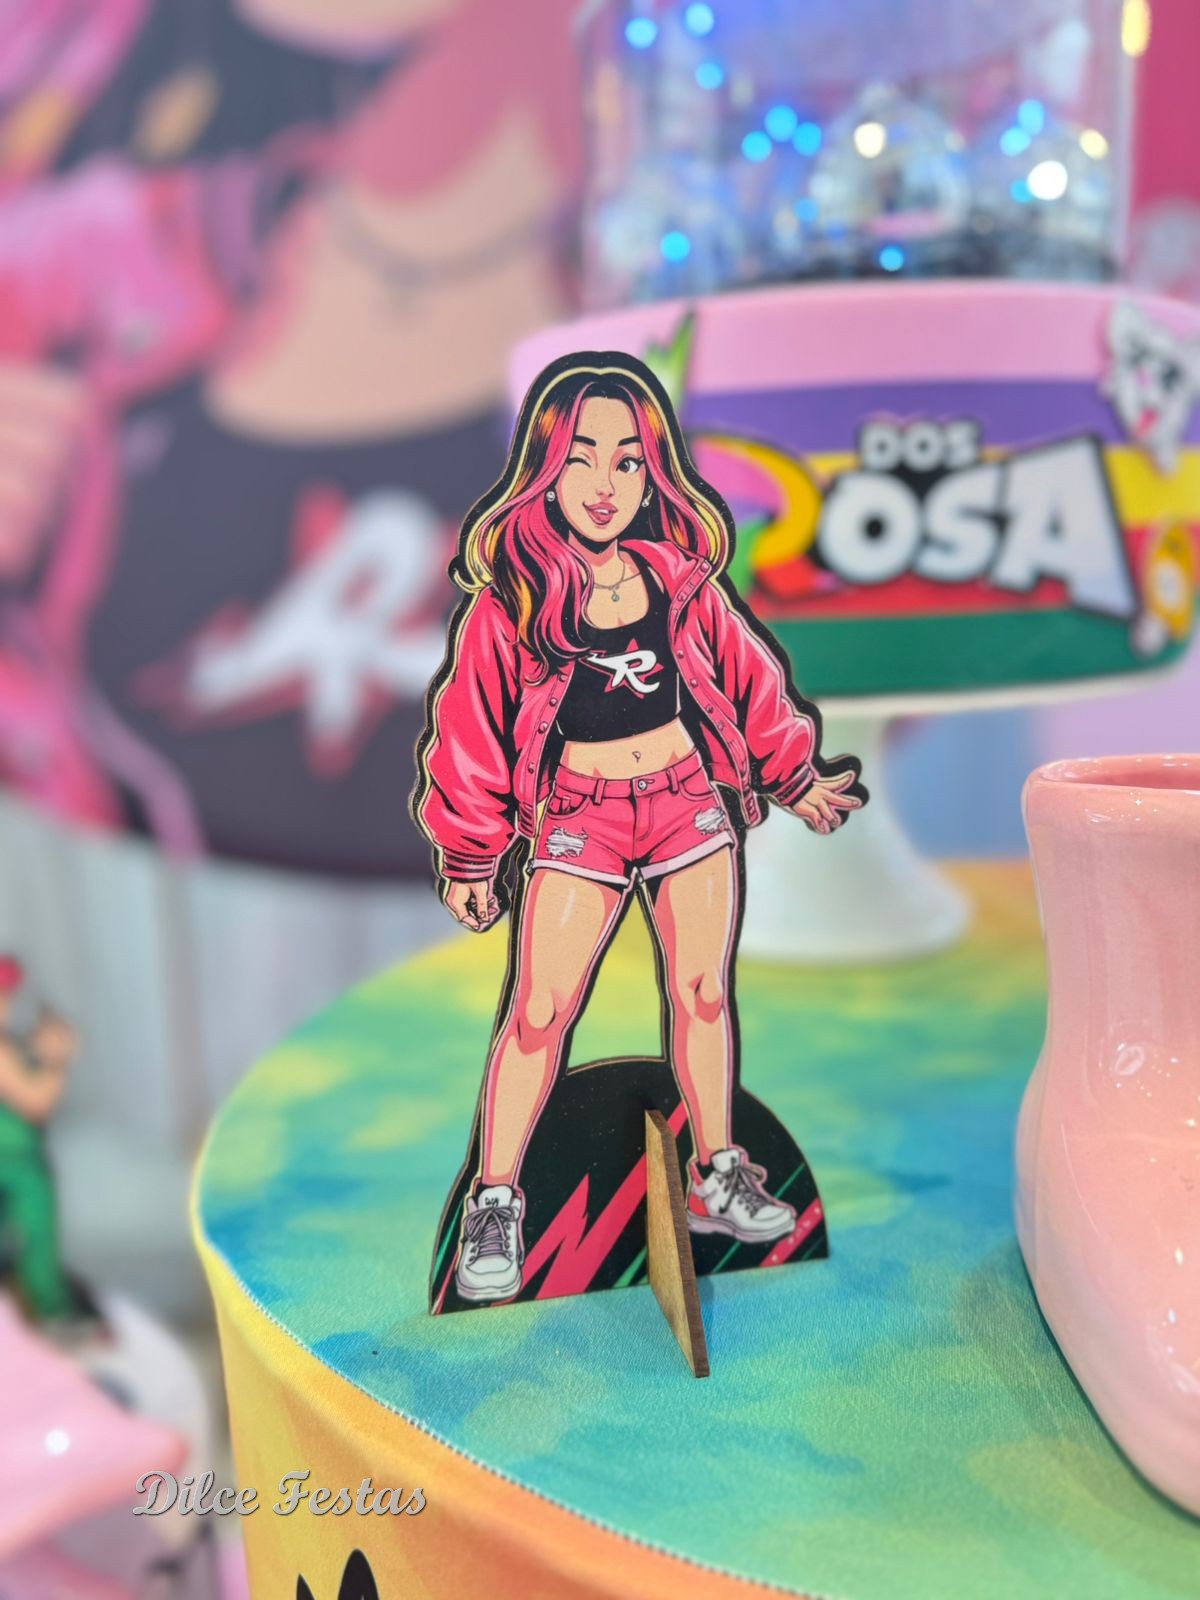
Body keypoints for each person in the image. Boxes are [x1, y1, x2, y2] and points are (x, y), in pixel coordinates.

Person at [415, 352, 864, 1304]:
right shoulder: (512, 602)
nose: (604, 483)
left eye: (627, 461)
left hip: (688, 803)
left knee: (703, 993)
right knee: (539, 1010)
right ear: (545, 468)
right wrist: (470, 853)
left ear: (655, 472)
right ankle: (496, 1202)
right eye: (581, 456)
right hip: (578, 817)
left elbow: (751, 684)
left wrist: (795, 777)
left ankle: (719, 1174)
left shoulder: (684, 584)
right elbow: (471, 728)